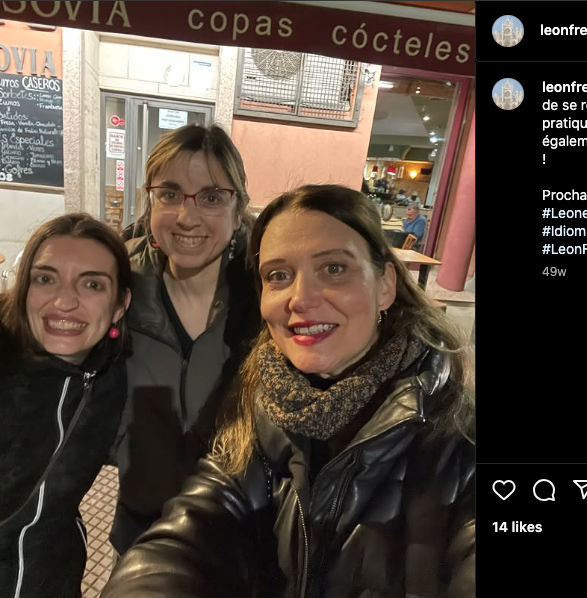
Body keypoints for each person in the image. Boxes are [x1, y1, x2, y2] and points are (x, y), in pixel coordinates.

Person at [102, 184, 475, 597]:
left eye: (334, 268)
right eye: (278, 275)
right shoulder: (265, 405)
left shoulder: (459, 433)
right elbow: (195, 525)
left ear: (385, 284)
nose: (301, 298)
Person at [109, 124, 262, 556]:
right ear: (150, 200)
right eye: (170, 194)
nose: (186, 217)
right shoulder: (116, 286)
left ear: (238, 209)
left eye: (211, 197)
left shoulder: (269, 300)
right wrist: (127, 449)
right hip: (140, 527)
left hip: (239, 535)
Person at [0, 214, 132, 597]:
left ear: (120, 304)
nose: (64, 301)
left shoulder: (110, 375)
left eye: (92, 284)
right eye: (45, 278)